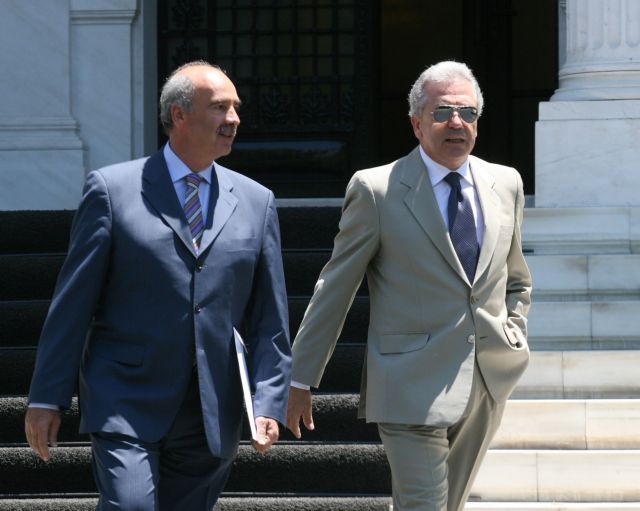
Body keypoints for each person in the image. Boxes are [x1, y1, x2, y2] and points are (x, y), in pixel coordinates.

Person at [25, 61, 292, 510]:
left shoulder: (256, 201)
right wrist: (46, 398)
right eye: (219, 107)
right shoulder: (112, 190)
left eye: (235, 108)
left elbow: (271, 318)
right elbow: (72, 304)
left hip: (212, 407)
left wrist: (268, 400)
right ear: (179, 114)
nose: (233, 119)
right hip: (125, 397)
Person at [286, 61, 532, 511]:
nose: (456, 122)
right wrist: (301, 377)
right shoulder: (376, 189)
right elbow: (335, 288)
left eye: (467, 112)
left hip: (485, 379)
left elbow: (516, 279)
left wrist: (513, 332)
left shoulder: (507, 183)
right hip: (407, 385)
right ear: (417, 124)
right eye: (442, 112)